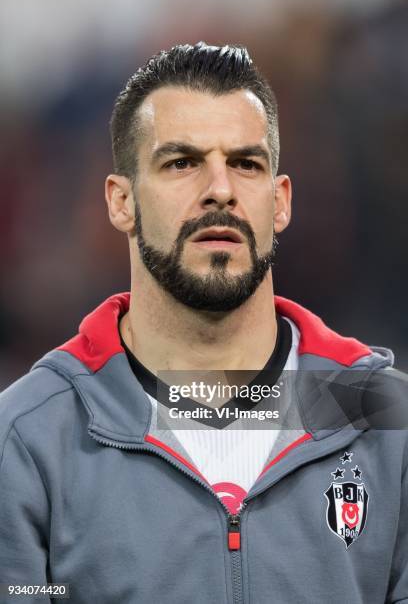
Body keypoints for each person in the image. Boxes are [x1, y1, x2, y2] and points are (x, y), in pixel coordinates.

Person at [0, 42, 407, 604]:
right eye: (182, 163)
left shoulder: (386, 422)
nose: (220, 190)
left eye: (245, 163)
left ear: (281, 200)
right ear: (121, 202)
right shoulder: (27, 440)